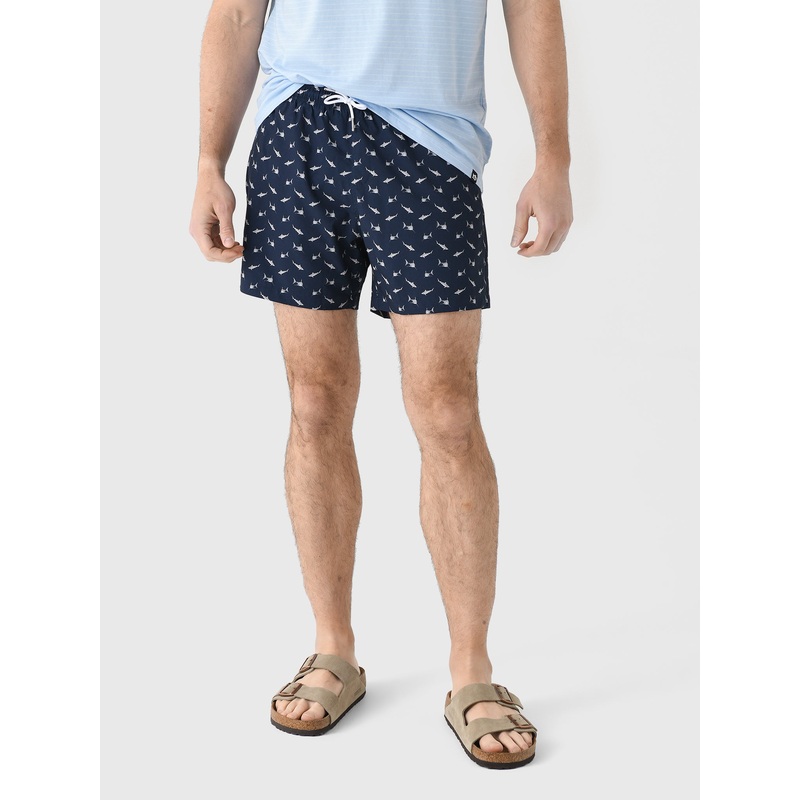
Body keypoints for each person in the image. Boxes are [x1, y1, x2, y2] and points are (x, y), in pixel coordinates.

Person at [189, 0, 572, 769]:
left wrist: (553, 157)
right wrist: (208, 163)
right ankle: (333, 648)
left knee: (448, 412)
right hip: (298, 132)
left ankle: (471, 670)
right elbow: (236, 15)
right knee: (314, 403)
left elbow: (532, 6)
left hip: (430, 145)